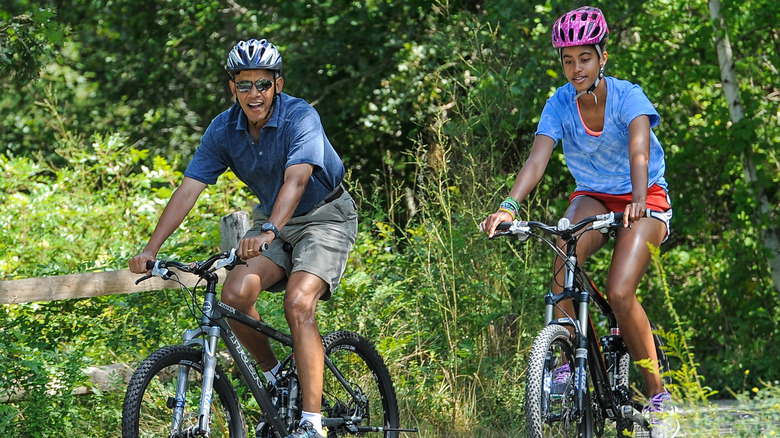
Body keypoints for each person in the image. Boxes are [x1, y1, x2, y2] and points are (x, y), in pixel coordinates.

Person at [129, 38, 357, 438]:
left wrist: (269, 230)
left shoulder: (300, 117)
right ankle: (274, 377)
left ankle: (312, 423)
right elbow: (189, 189)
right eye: (245, 84)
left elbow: (298, 179)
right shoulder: (224, 129)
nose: (255, 93)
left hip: (325, 217)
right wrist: (151, 248)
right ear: (232, 87)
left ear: (278, 85)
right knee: (234, 295)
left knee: (298, 303)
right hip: (274, 220)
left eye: (263, 84)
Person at [480, 6, 677, 437]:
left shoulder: (629, 97)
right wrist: (509, 206)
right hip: (592, 196)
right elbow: (538, 159)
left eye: (584, 58)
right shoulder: (559, 103)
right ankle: (567, 363)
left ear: (602, 57)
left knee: (620, 291)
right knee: (562, 262)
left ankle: (659, 399)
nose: (575, 69)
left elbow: (639, 152)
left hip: (645, 197)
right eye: (567, 60)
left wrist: (640, 202)